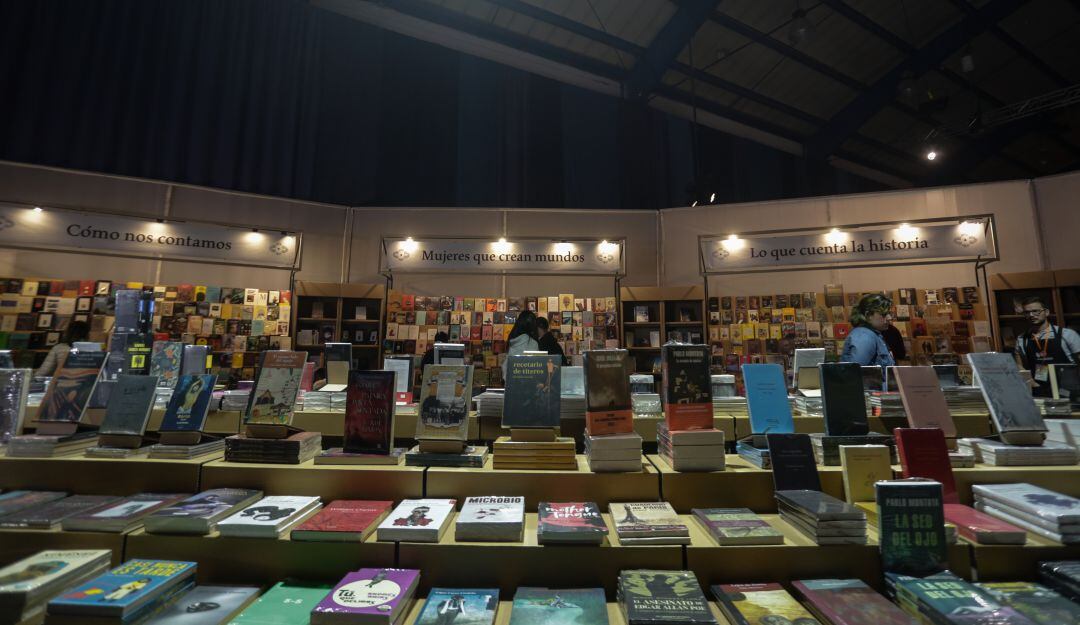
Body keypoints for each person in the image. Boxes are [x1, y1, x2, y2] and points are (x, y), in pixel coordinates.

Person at [1014, 296, 1080, 397]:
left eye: (1036, 311)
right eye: (1027, 312)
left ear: (1046, 312)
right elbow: (1019, 366)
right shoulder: (1022, 339)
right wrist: (1031, 382)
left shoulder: (1067, 335)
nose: (1031, 315)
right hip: (1039, 392)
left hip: (1068, 391)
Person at [840, 294, 895, 367]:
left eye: (890, 314)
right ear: (868, 315)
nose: (889, 318)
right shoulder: (865, 336)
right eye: (884, 314)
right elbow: (857, 372)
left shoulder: (870, 334)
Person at [502, 310, 539, 378]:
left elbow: (506, 366)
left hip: (512, 382)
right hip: (527, 383)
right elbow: (536, 368)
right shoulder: (533, 343)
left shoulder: (513, 340)